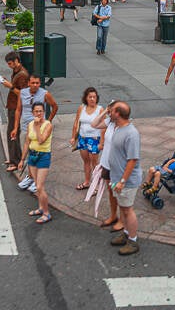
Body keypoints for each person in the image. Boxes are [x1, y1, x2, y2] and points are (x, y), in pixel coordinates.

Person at [12, 75, 58, 193]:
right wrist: (15, 127)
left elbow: (54, 106)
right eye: (33, 83)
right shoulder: (22, 93)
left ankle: (36, 179)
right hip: (26, 127)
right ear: (28, 83)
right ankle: (30, 177)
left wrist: (48, 121)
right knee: (28, 153)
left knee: (38, 152)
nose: (35, 85)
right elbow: (18, 110)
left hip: (40, 128)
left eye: (37, 83)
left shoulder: (44, 94)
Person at [107, 101, 142, 255]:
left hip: (126, 180)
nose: (109, 112)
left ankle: (133, 240)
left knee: (128, 210)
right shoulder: (118, 128)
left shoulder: (131, 133)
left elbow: (132, 160)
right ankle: (126, 233)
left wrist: (122, 181)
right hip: (116, 177)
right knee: (123, 207)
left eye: (112, 110)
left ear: (118, 114)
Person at [18, 102, 53, 224]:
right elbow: (27, 142)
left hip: (43, 156)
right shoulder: (30, 124)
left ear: (44, 112)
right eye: (36, 111)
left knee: (39, 186)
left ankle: (47, 213)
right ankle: (41, 207)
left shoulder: (47, 125)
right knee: (36, 185)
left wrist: (38, 126)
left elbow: (41, 140)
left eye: (41, 111)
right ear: (32, 113)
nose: (39, 113)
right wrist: (22, 159)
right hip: (32, 156)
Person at [91, 100, 123, 231]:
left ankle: (122, 220)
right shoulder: (109, 122)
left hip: (117, 166)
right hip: (106, 163)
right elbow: (94, 124)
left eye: (113, 110)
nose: (111, 113)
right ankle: (113, 215)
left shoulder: (123, 126)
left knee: (119, 193)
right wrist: (105, 111)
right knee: (111, 192)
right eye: (110, 110)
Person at [70, 87, 104, 190]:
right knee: (86, 161)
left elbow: (104, 127)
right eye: (90, 97)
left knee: (95, 163)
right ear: (86, 98)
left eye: (94, 97)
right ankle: (87, 182)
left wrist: (102, 142)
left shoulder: (100, 109)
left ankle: (97, 185)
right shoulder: (81, 108)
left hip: (94, 139)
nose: (92, 99)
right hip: (82, 138)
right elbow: (76, 123)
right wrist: (73, 137)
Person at [0, 52, 29, 172]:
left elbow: (23, 93)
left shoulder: (22, 74)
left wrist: (10, 86)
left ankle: (15, 161)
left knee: (13, 132)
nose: (9, 66)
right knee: (11, 132)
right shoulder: (17, 71)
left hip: (15, 105)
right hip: (13, 104)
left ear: (16, 60)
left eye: (11, 63)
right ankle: (13, 158)